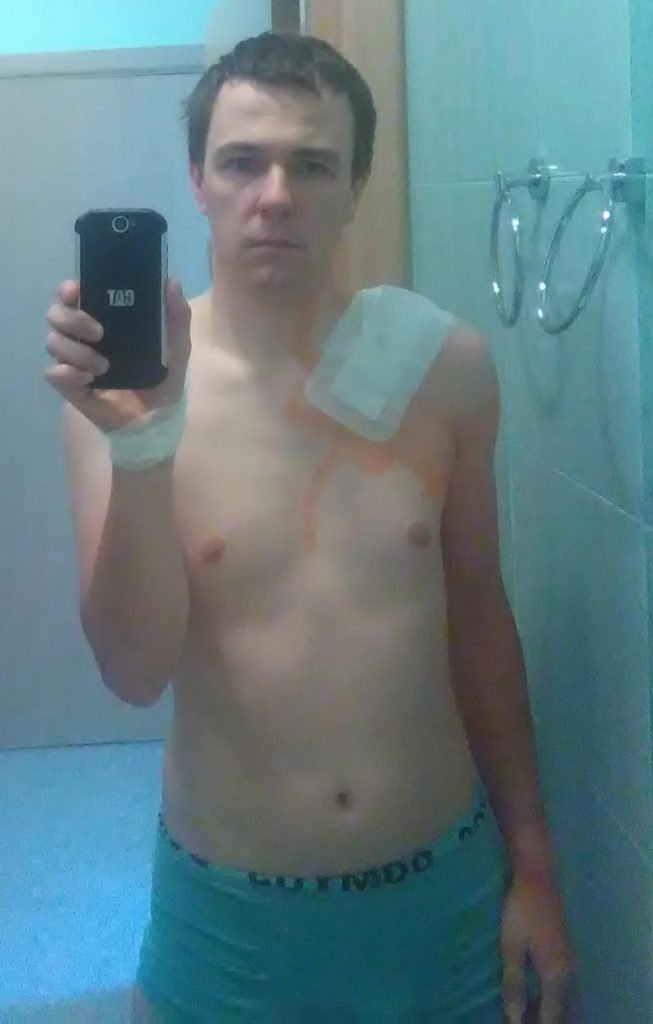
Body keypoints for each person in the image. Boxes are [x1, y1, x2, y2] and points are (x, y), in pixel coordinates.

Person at [44, 32, 574, 1024]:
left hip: (440, 899)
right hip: (228, 922)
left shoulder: (441, 369)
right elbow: (132, 671)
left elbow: (478, 623)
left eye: (313, 164)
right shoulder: (118, 406)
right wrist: (146, 442)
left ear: (354, 185)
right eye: (241, 162)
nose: (275, 195)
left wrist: (534, 868)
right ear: (197, 181)